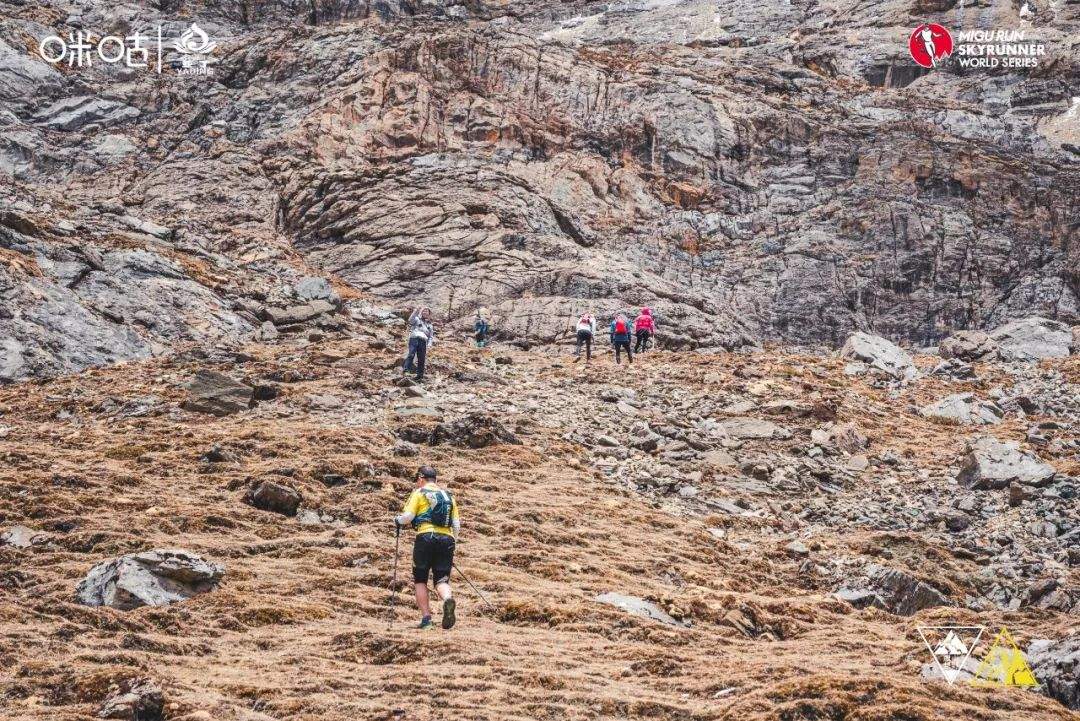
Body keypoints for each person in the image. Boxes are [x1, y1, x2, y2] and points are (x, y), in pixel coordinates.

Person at [394, 466, 460, 630]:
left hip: (425, 537)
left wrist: (397, 520)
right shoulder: (448, 496)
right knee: (441, 579)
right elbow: (456, 525)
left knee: (420, 578)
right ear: (435, 480)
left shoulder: (419, 493)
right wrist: (453, 545)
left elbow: (408, 517)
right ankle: (447, 600)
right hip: (447, 539)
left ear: (421, 479)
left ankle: (426, 619)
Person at [403, 307, 435, 382]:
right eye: (424, 311)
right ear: (421, 312)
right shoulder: (417, 319)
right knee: (411, 354)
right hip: (414, 338)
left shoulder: (430, 325)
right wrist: (416, 311)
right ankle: (406, 370)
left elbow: (431, 336)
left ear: (429, 314)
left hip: (423, 341)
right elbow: (410, 320)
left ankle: (420, 375)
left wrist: (429, 344)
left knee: (421, 358)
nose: (425, 312)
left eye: (427, 311)